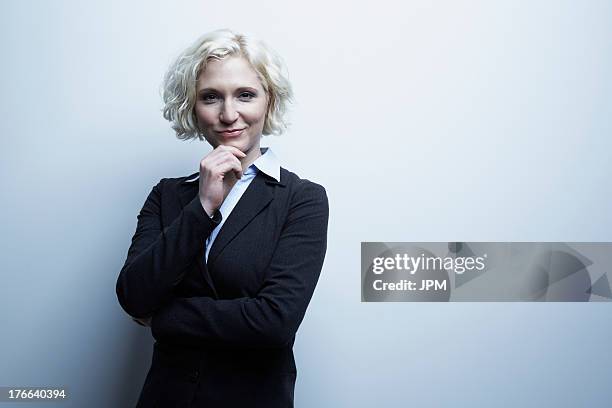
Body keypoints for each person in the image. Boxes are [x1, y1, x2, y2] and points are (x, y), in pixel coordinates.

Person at [115, 28, 329, 407]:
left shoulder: (302, 199)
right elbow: (133, 295)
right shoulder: (167, 195)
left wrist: (163, 318)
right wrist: (201, 207)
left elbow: (274, 322)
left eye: (245, 95)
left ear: (269, 101)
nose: (229, 114)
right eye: (211, 97)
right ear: (192, 108)